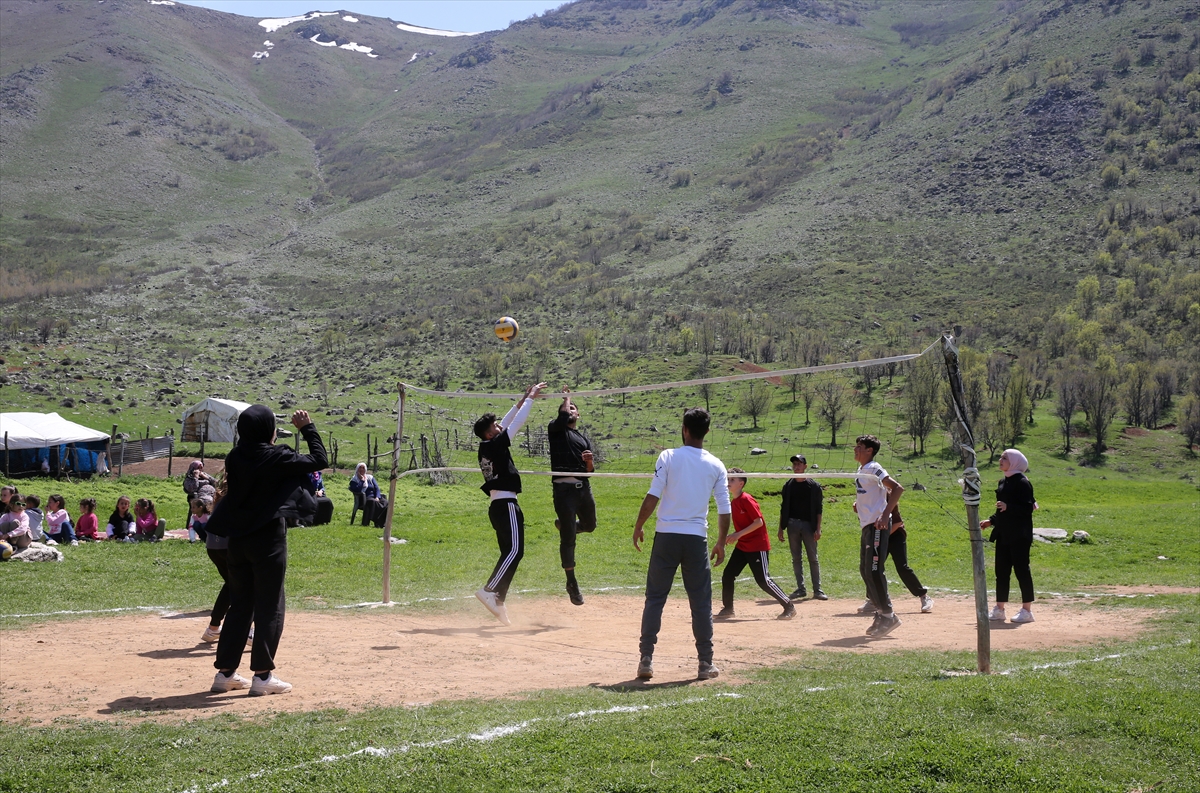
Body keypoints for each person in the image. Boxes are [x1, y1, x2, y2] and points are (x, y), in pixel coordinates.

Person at [205, 405, 326, 697]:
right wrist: (307, 428)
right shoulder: (276, 456)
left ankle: (225, 674)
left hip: (238, 541)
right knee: (270, 605)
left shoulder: (235, 456)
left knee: (240, 605)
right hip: (268, 539)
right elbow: (319, 460)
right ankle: (262, 676)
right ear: (266, 430)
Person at [632, 408, 731, 681]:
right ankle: (705, 663)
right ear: (707, 432)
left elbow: (653, 495)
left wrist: (639, 525)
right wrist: (721, 542)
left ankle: (646, 659)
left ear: (684, 429)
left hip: (666, 536)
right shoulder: (716, 465)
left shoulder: (669, 456)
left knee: (655, 598)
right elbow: (724, 509)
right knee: (700, 602)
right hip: (696, 539)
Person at [473, 381, 547, 625]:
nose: (499, 427)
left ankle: (498, 601)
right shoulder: (493, 444)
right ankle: (489, 590)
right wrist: (531, 399)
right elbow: (515, 425)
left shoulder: (489, 444)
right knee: (515, 551)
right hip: (505, 505)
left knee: (511, 552)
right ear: (489, 433)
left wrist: (523, 398)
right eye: (495, 426)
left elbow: (506, 422)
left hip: (499, 506)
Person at [718, 468, 794, 620]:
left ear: (741, 483)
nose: (728, 482)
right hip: (743, 545)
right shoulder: (734, 501)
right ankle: (728, 608)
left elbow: (758, 522)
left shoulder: (747, 499)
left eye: (732, 480)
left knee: (763, 580)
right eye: (728, 479)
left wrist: (737, 534)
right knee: (728, 574)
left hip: (757, 546)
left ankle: (788, 606)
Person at [548, 387, 597, 606]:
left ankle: (565, 524)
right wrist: (567, 397)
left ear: (578, 415)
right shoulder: (555, 429)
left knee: (590, 525)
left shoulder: (582, 439)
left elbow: (589, 471)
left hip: (583, 488)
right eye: (568, 409)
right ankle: (571, 582)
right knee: (569, 538)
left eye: (574, 409)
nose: (571, 411)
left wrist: (589, 461)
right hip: (563, 491)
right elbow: (563, 415)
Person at [852, 434, 905, 638]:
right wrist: (861, 505)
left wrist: (884, 514)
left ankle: (889, 614)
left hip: (877, 525)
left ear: (869, 451)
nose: (855, 449)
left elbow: (897, 488)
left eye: (860, 446)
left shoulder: (874, 467)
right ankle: (882, 613)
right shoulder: (862, 470)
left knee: (874, 570)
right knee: (865, 570)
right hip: (867, 525)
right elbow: (873, 493)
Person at [980, 448, 1037, 624]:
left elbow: (1028, 508)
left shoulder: (1022, 482)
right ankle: (1000, 609)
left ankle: (1027, 611)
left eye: (1005, 458)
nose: (1000, 460)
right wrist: (991, 521)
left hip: (1019, 535)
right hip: (1004, 534)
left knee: (1021, 571)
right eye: (1001, 457)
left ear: (1014, 462)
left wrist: (1009, 507)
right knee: (1001, 572)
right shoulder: (1003, 482)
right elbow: (1002, 510)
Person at [863, 506, 934, 615]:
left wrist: (883, 536)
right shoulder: (869, 501)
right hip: (879, 536)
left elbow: (898, 522)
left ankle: (924, 596)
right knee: (873, 567)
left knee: (902, 567)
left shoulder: (887, 499)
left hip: (895, 535)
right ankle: (873, 600)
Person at [778, 453, 826, 601]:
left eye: (799, 464)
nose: (796, 466)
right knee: (796, 558)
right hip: (792, 524)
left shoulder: (814, 486)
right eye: (794, 464)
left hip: (808, 526)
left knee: (813, 558)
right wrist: (781, 528)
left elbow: (819, 509)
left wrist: (818, 528)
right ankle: (801, 589)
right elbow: (783, 507)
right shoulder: (788, 485)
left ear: (805, 466)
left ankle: (817, 590)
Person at [349, 463, 387, 528]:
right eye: (360, 468)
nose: (361, 469)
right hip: (364, 498)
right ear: (357, 469)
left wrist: (377, 497)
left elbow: (376, 488)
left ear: (365, 469)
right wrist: (361, 480)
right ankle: (378, 522)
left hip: (374, 497)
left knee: (386, 502)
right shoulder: (354, 480)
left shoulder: (370, 478)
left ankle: (380, 522)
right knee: (373, 502)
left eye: (363, 468)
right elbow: (357, 489)